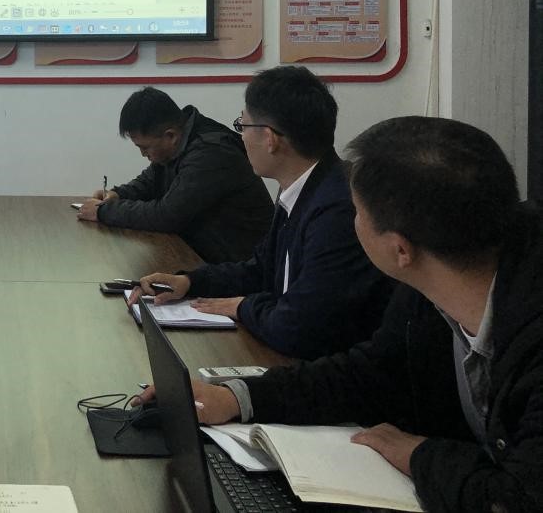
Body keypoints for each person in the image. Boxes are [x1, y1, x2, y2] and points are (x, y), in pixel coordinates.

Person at [134, 117, 543, 513]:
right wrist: (237, 397)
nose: (351, 223)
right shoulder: (430, 282)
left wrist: (418, 454)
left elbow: (515, 500)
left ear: (399, 249)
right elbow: (370, 372)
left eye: (357, 212)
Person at [132, 66, 391, 359]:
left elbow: (298, 327)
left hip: (325, 368)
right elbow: (260, 269)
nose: (241, 137)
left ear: (270, 138)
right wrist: (191, 281)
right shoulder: (304, 186)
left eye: (242, 126)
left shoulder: (337, 208)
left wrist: (242, 307)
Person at [77, 86, 273, 264]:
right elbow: (150, 181)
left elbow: (166, 216)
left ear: (170, 136)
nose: (143, 154)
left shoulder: (211, 152)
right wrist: (117, 194)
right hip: (205, 258)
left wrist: (103, 212)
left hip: (240, 268)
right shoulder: (178, 144)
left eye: (145, 147)